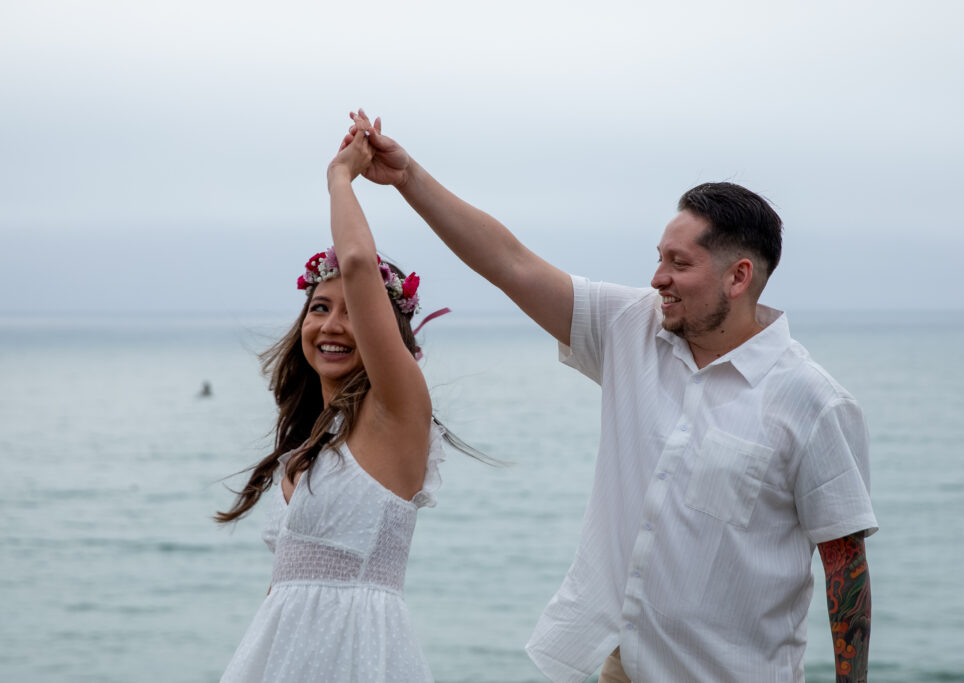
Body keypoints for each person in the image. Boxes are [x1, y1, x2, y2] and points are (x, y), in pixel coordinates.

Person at [340, 110, 877, 682]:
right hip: (619, 668)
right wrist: (408, 179)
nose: (656, 278)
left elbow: (845, 565)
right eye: (658, 257)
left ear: (738, 277)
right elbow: (511, 263)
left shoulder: (813, 402)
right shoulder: (631, 327)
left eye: (679, 263)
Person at [216, 118, 464, 682]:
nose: (331, 324)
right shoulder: (307, 446)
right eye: (319, 308)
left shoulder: (397, 411)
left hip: (362, 661)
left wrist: (341, 178)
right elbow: (282, 598)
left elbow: (355, 263)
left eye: (353, 310)